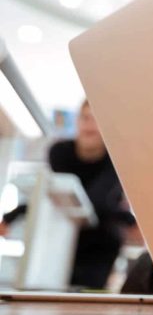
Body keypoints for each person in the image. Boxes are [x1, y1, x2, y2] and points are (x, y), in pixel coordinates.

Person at [1, 100, 139, 289]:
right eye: (85, 118)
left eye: (96, 120)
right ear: (77, 121)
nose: (90, 125)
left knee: (86, 296)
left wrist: (131, 221)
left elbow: (96, 202)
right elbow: (53, 194)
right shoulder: (59, 152)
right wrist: (12, 216)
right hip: (60, 236)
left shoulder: (115, 158)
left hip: (100, 244)